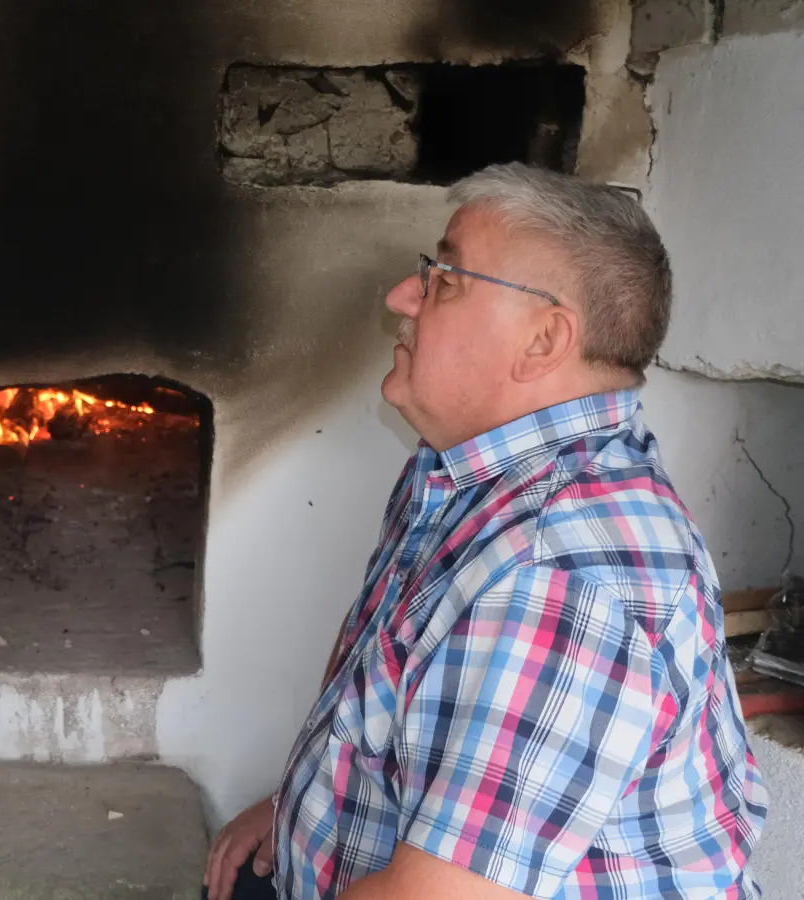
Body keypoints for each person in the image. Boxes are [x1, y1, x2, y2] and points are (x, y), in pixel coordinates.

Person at [204, 164, 768, 900]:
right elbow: (383, 679)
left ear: (543, 341)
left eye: (445, 280)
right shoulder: (462, 469)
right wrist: (293, 807)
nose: (401, 297)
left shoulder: (564, 575)